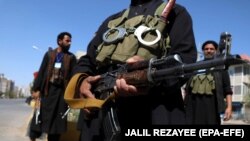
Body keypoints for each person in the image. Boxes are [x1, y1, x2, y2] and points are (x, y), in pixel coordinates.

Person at [67, 0, 197, 140]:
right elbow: (88, 59)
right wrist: (82, 80)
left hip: (152, 112)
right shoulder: (112, 20)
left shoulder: (176, 12)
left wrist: (147, 71)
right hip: (100, 114)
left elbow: (184, 59)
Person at [30, 32, 77, 141]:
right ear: (60, 41)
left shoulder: (71, 57)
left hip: (61, 94)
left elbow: (74, 76)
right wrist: (36, 89)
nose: (70, 43)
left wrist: (72, 94)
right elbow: (42, 71)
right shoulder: (49, 54)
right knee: (38, 118)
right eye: (67, 40)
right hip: (47, 91)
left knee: (57, 124)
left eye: (70, 41)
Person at [185, 40, 233, 125]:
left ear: (216, 51)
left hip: (212, 108)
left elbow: (227, 89)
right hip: (193, 107)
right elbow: (187, 88)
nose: (209, 51)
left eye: (212, 49)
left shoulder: (221, 66)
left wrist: (229, 107)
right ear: (203, 51)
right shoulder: (195, 66)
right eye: (206, 49)